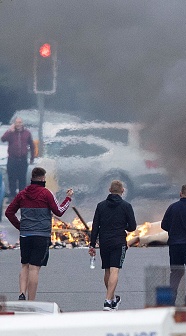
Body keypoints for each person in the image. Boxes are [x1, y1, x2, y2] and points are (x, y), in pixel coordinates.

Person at [4, 167, 73, 301]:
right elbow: (59, 211)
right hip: (41, 235)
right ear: (42, 178)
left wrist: (20, 226)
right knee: (34, 268)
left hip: (25, 235)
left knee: (25, 265)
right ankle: (31, 300)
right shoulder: (47, 193)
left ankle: (22, 293)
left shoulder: (22, 194)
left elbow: (9, 212)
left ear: (32, 178)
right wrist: (68, 199)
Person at [88, 180, 137, 311]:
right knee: (115, 270)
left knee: (107, 270)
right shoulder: (126, 206)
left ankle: (113, 298)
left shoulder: (100, 206)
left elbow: (95, 226)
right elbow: (132, 226)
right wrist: (122, 226)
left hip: (104, 241)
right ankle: (107, 301)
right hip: (119, 241)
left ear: (109, 190)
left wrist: (92, 244)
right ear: (122, 191)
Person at [1, 117, 35, 198]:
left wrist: (32, 158)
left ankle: (21, 197)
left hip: (22, 160)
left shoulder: (27, 133)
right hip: (12, 160)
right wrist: (9, 131)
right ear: (14, 124)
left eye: (20, 122)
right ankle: (12, 197)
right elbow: (2, 139)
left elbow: (32, 145)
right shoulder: (10, 133)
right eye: (17, 123)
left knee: (22, 180)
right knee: (12, 179)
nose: (18, 124)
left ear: (22, 123)